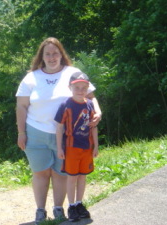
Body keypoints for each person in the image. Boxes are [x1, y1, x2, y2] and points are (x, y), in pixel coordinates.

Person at [16, 37, 102, 224]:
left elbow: (90, 96)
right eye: (47, 54)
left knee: (61, 173)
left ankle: (59, 209)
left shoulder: (73, 73)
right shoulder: (31, 78)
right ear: (42, 56)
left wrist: (99, 112)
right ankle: (40, 211)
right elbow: (21, 106)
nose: (52, 57)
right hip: (35, 133)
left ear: (61, 55)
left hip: (67, 136)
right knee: (40, 172)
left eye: (55, 53)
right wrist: (21, 133)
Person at [55, 71, 99, 222]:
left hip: (87, 147)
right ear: (70, 88)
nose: (80, 91)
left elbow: (93, 126)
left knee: (82, 177)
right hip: (71, 148)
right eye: (77, 87)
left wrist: (96, 146)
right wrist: (59, 148)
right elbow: (59, 128)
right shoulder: (65, 105)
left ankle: (80, 204)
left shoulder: (90, 104)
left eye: (83, 88)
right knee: (72, 178)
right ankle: (71, 206)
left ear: (87, 89)